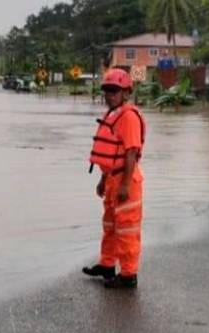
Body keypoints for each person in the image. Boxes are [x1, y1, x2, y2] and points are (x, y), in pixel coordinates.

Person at [83, 68, 146, 289]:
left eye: (114, 90)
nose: (109, 94)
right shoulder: (113, 114)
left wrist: (125, 185)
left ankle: (129, 275)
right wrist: (102, 179)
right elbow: (110, 152)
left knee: (127, 230)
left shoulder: (128, 117)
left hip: (125, 181)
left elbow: (130, 153)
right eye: (107, 90)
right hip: (111, 180)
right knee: (109, 226)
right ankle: (107, 265)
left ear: (126, 92)